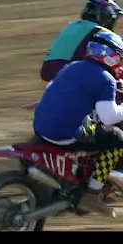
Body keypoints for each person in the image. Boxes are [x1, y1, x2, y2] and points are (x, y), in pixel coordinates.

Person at [33, 29, 123, 217]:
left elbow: (51, 88)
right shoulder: (106, 79)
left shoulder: (72, 66)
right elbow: (108, 118)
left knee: (91, 127)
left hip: (40, 127)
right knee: (115, 137)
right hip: (64, 134)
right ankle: (91, 194)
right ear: (112, 56)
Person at [41, 0, 123, 83]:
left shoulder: (71, 26)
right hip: (68, 76)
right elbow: (118, 46)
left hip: (47, 76)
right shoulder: (97, 30)